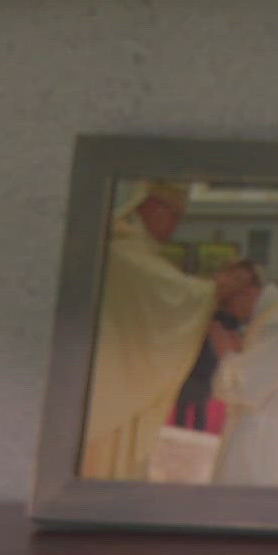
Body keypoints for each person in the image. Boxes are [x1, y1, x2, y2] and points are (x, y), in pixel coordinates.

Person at [78, 179, 223, 480]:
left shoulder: (134, 249)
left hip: (120, 367)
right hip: (110, 375)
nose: (175, 226)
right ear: (151, 206)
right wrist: (213, 290)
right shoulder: (122, 249)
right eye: (173, 216)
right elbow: (169, 294)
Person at [208, 262, 278, 487]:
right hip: (258, 438)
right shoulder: (273, 319)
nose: (229, 311)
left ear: (246, 292)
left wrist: (225, 353)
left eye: (227, 302)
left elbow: (246, 390)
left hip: (259, 445)